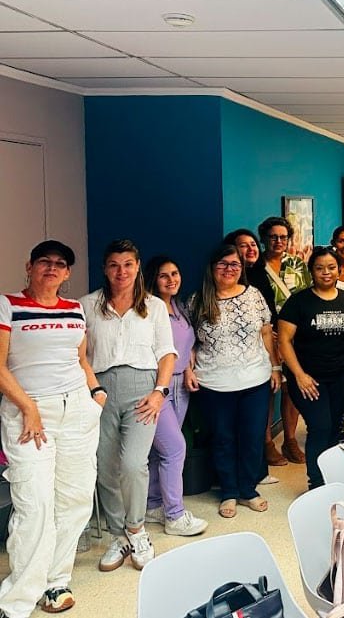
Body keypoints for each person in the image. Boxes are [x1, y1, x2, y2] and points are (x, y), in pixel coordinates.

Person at [0, 241, 102, 616]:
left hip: (77, 409)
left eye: (60, 264)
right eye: (45, 261)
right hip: (30, 416)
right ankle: (16, 601)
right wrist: (28, 407)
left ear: (68, 273)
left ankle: (56, 581)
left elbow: (80, 358)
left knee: (74, 501)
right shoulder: (8, 305)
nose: (52, 268)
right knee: (35, 505)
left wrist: (96, 395)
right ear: (29, 266)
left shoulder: (75, 309)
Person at [81, 239, 177, 572]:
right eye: (113, 265)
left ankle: (136, 529)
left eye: (128, 264)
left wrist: (159, 391)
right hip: (101, 390)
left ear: (137, 267)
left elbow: (166, 352)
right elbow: (80, 356)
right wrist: (94, 390)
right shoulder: (87, 305)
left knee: (134, 464)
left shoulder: (153, 306)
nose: (121, 272)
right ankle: (117, 536)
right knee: (105, 466)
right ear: (104, 269)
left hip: (143, 389)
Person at [191, 245, 281, 519]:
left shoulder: (253, 295)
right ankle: (228, 491)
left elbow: (267, 332)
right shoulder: (197, 301)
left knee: (252, 437)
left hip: (255, 378)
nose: (229, 270)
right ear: (212, 267)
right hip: (214, 381)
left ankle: (248, 490)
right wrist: (187, 366)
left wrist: (275, 367)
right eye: (223, 264)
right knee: (223, 438)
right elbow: (188, 340)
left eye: (235, 265)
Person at [277, 247, 344, 491]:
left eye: (331, 267)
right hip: (309, 378)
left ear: (339, 270)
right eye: (319, 268)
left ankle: (331, 475)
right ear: (312, 272)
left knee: (334, 429)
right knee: (319, 426)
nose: (326, 272)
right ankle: (316, 484)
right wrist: (299, 375)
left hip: (342, 376)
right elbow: (284, 340)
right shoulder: (299, 302)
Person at [142, 257, 208, 537]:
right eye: (163, 276)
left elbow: (184, 346)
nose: (171, 279)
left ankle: (154, 504)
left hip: (181, 385)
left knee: (162, 452)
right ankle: (175, 515)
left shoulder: (179, 308)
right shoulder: (146, 309)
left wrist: (190, 369)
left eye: (175, 273)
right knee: (175, 448)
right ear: (151, 279)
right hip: (158, 386)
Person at [224, 228, 283, 479]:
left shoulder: (259, 276)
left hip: (266, 346)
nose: (250, 249)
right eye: (243, 246)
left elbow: (266, 313)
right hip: (234, 361)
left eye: (252, 245)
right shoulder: (222, 283)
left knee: (264, 402)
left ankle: (258, 464)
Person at [257, 216, 309, 466]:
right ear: (264, 239)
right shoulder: (255, 267)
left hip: (294, 337)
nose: (278, 241)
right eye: (273, 237)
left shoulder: (298, 264)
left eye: (283, 237)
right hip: (266, 338)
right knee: (269, 389)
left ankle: (289, 440)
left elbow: (308, 298)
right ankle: (267, 442)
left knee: (292, 389)